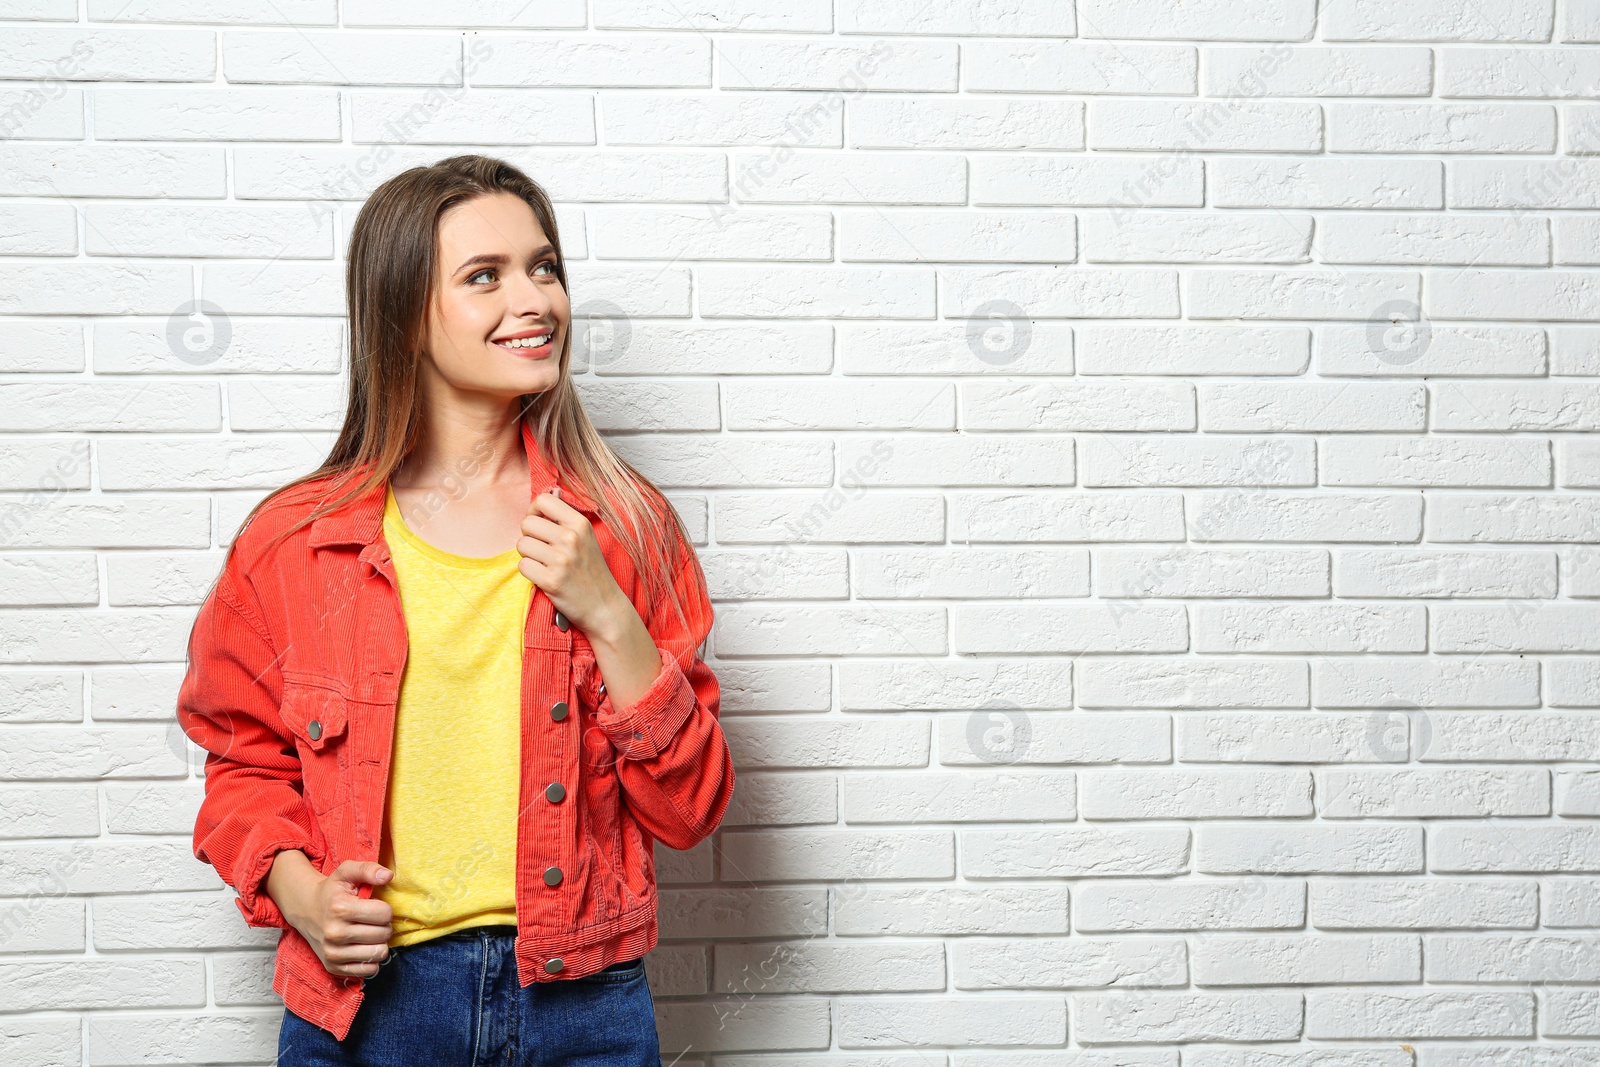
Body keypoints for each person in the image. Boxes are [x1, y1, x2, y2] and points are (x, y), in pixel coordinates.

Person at [175, 154, 735, 1065]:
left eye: (543, 266)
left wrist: (610, 617)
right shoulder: (295, 542)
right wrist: (301, 892)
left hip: (583, 1006)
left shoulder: (625, 527)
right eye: (486, 276)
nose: (537, 299)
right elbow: (241, 763)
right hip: (367, 1007)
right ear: (403, 317)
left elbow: (691, 808)